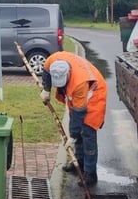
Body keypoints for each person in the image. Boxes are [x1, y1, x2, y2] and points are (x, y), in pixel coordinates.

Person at [41, 51, 107, 186]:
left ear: (68, 73)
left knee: (87, 132)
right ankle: (79, 161)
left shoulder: (79, 84)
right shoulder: (52, 60)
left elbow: (78, 113)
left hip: (94, 94)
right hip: (78, 99)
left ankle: (90, 173)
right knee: (76, 127)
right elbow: (46, 72)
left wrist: (73, 137)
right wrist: (46, 89)